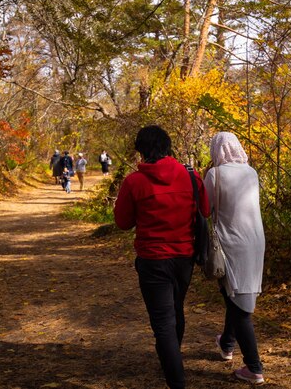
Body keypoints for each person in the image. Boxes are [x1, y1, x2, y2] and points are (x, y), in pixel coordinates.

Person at [114, 125, 209, 389]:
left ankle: (176, 380)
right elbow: (206, 210)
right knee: (176, 309)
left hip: (153, 260)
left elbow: (123, 222)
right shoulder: (191, 176)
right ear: (168, 146)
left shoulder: (134, 182)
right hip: (184, 258)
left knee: (163, 321)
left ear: (141, 150)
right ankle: (171, 359)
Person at [204, 132, 265, 385]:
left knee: (239, 307)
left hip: (230, 244)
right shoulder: (251, 172)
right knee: (236, 296)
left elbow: (205, 209)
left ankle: (254, 368)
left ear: (216, 150)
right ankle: (227, 344)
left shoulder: (215, 175)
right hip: (255, 241)